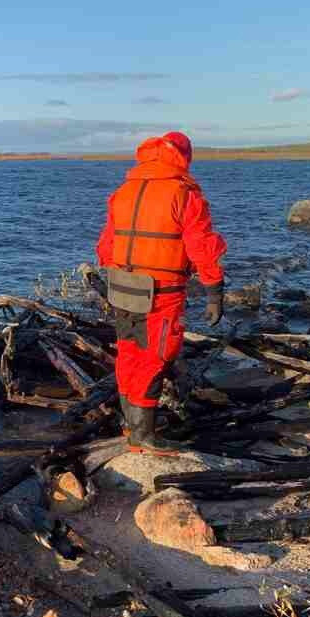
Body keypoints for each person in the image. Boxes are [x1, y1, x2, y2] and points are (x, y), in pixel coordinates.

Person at [95, 131, 227, 455]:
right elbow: (202, 246)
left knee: (128, 352)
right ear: (183, 156)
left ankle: (133, 425)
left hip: (122, 287)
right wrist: (214, 292)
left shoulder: (124, 190)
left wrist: (124, 271)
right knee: (155, 355)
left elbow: (105, 246)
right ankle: (143, 437)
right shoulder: (184, 194)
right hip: (160, 292)